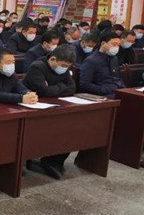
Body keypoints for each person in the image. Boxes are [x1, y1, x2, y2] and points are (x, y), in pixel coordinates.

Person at [23, 45, 76, 179]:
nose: (64, 69)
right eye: (62, 65)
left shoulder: (63, 68)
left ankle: (54, 160)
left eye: (67, 67)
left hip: (56, 106)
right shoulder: (37, 67)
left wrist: (54, 88)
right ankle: (45, 159)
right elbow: (44, 91)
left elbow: (72, 87)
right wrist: (62, 86)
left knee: (71, 129)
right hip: (34, 108)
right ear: (52, 59)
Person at [79, 30, 125, 98]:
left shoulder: (114, 58)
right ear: (103, 43)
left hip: (117, 90)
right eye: (114, 44)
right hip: (102, 94)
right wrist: (102, 90)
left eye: (118, 45)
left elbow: (117, 77)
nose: (117, 47)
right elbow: (85, 84)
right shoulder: (91, 61)